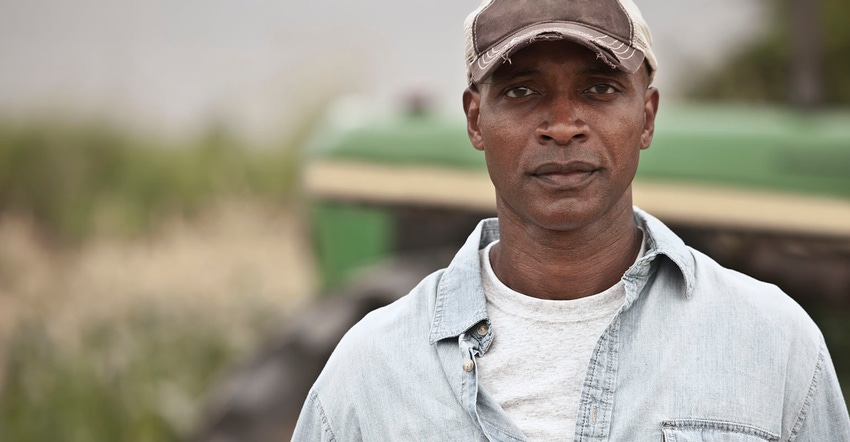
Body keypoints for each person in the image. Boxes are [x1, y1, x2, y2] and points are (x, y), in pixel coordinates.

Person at [292, 0, 850, 440]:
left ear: (647, 116)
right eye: (522, 90)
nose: (562, 126)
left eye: (600, 88)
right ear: (475, 119)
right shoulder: (370, 373)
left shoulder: (774, 344)